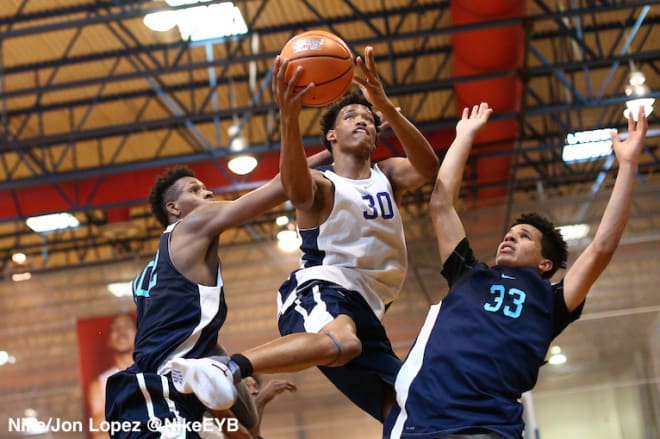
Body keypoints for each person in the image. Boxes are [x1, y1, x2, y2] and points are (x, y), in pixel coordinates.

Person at [170, 45, 446, 422]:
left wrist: (385, 103)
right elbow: (295, 189)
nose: (362, 119)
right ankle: (229, 368)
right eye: (351, 116)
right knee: (344, 342)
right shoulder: (323, 184)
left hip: (369, 307)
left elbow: (427, 166)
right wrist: (288, 116)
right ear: (331, 136)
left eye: (368, 116)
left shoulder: (389, 175)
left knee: (411, 407)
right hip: (320, 289)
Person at [382, 106, 648, 439]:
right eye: (510, 233)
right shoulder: (469, 274)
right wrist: (463, 137)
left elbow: (602, 248)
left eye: (524, 237)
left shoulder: (551, 301)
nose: (510, 237)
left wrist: (627, 164)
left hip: (489, 427)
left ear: (544, 264)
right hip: (423, 425)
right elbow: (441, 204)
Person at [105, 151, 329, 438]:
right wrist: (328, 152)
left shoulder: (158, 267)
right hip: (160, 392)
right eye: (194, 190)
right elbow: (280, 185)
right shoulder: (192, 224)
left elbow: (189, 340)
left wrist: (246, 398)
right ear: (174, 208)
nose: (207, 192)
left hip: (157, 394)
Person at [88, 313, 136, 439]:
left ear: (139, 335)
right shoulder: (99, 384)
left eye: (127, 326)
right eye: (115, 328)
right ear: (109, 341)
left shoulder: (153, 372)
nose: (121, 331)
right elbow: (98, 429)